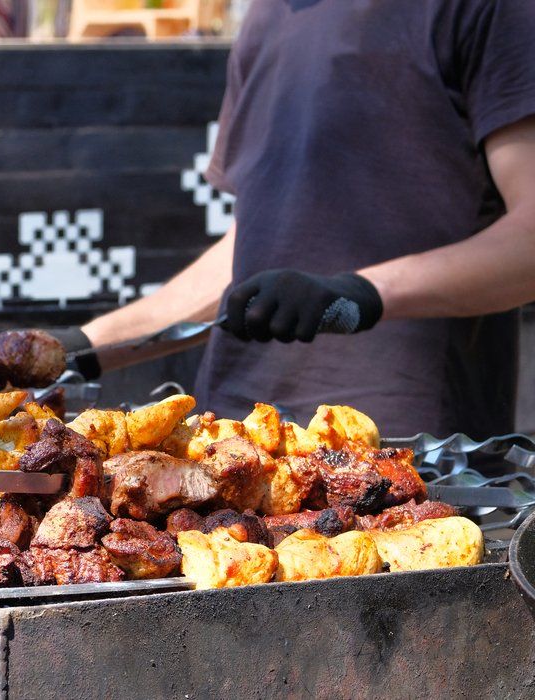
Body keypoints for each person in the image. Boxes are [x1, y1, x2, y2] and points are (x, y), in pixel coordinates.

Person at [58, 0, 535, 439]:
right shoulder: (266, 16)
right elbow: (255, 249)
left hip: (412, 458)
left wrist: (357, 294)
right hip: (235, 445)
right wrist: (80, 349)